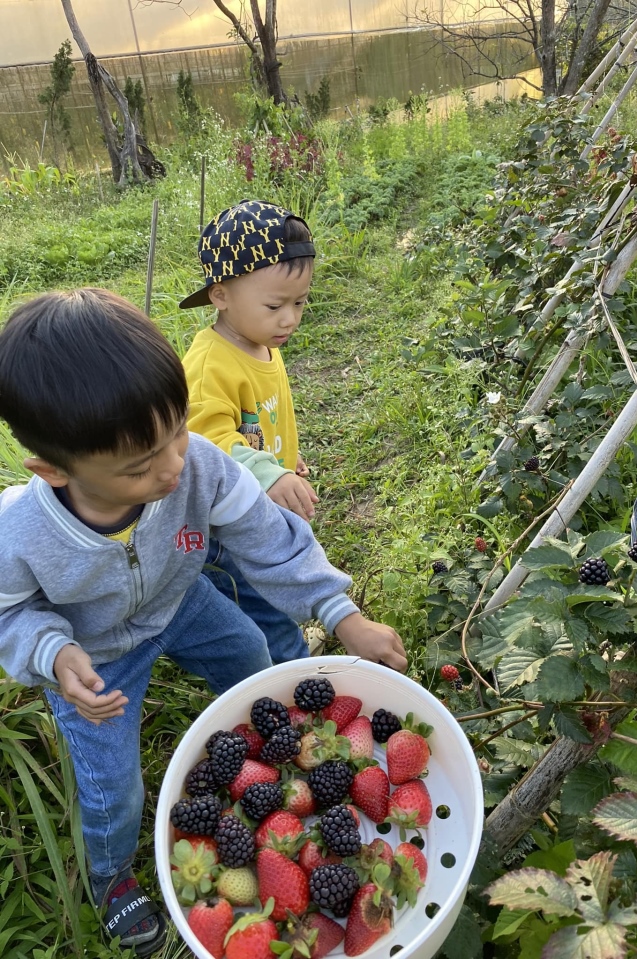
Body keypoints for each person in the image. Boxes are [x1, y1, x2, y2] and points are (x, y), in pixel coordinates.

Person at [0, 288, 407, 957]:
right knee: (112, 784)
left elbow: (271, 539)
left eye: (176, 434)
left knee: (249, 651)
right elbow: (7, 609)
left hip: (179, 600)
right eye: (140, 466)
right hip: (93, 650)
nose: (173, 468)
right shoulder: (19, 533)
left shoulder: (200, 467)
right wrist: (51, 651)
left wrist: (340, 612)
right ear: (52, 471)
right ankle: (108, 877)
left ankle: (267, 762)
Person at [181, 200, 320, 664]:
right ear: (221, 295)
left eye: (300, 302)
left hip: (258, 507)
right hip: (226, 529)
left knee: (279, 583)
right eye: (275, 305)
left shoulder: (261, 342)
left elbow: (259, 423)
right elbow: (209, 445)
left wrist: (283, 463)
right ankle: (294, 673)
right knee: (263, 605)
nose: (290, 319)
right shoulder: (208, 366)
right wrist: (268, 474)